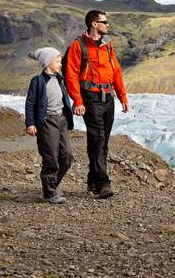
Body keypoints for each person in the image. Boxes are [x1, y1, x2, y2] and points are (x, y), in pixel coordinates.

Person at [65, 10, 129, 199]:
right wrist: (77, 100)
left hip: (108, 97)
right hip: (90, 98)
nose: (107, 25)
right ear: (94, 24)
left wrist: (122, 97)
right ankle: (102, 184)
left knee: (103, 142)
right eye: (104, 22)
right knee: (97, 139)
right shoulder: (79, 46)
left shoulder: (108, 47)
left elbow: (116, 72)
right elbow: (71, 75)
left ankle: (93, 181)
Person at [25, 47, 75, 204]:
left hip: (61, 121)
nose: (61, 64)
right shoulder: (38, 81)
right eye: (58, 61)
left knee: (67, 156)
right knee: (50, 157)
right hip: (47, 122)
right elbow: (30, 102)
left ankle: (51, 186)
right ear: (47, 62)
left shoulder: (59, 79)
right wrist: (30, 123)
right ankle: (50, 192)